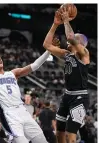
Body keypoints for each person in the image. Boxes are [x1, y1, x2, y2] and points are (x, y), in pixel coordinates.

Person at [0, 32, 50, 143]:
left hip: (23, 110)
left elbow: (34, 65)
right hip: (9, 114)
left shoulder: (13, 73)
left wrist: (49, 51)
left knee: (42, 141)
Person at [43, 5, 90, 143]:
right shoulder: (67, 54)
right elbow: (46, 45)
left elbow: (70, 37)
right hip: (67, 96)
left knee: (71, 136)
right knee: (59, 134)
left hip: (79, 97)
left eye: (75, 38)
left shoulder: (84, 54)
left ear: (81, 43)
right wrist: (55, 24)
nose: (69, 40)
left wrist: (65, 20)